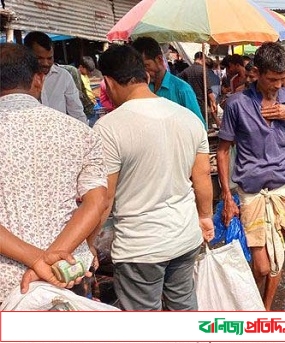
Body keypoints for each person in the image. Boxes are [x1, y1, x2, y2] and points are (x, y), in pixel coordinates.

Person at [93, 44, 214, 311]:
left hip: (140, 247)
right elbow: (203, 176)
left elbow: (104, 198)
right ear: (145, 76)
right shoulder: (189, 119)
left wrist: (90, 242)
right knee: (183, 308)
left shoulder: (108, 128)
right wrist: (205, 217)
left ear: (109, 83)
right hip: (184, 237)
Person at [216, 42, 285, 310]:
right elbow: (222, 151)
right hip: (251, 193)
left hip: (280, 190)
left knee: (277, 257)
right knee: (263, 264)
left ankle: (264, 309)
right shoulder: (238, 104)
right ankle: (252, 299)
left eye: (282, 78)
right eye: (272, 79)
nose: (278, 85)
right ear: (256, 72)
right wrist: (227, 195)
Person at [0, 43, 108, 304]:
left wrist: (38, 260)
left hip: (7, 282)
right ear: (38, 80)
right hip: (67, 272)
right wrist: (53, 257)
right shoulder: (80, 132)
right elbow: (97, 202)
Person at [131, 37, 206, 127]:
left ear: (159, 60)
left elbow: (199, 127)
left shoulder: (182, 90)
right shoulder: (141, 89)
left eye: (146, 65)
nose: (144, 72)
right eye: (139, 67)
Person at [23, 31, 87, 124]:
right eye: (39, 58)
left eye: (49, 58)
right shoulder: (20, 78)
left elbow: (76, 112)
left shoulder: (63, 76)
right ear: (27, 55)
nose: (46, 63)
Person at [179, 51, 220, 127]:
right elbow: (208, 89)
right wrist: (213, 101)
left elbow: (178, 80)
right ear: (202, 58)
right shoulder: (203, 70)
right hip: (201, 102)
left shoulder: (186, 70)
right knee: (202, 125)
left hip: (189, 101)